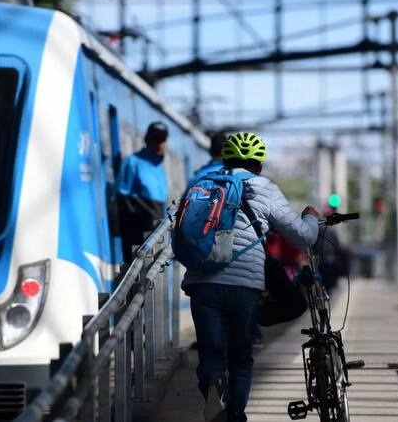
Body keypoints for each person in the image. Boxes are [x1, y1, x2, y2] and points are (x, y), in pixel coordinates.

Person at [181, 132, 320, 422]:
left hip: (202, 283)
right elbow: (302, 237)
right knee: (241, 357)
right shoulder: (264, 187)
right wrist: (310, 217)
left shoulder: (202, 184)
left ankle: (213, 389)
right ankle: (235, 416)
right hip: (244, 285)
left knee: (210, 355)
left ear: (225, 160)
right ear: (258, 166)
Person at [116, 122, 169, 262]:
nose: (159, 144)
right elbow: (122, 196)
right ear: (147, 139)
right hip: (138, 233)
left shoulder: (159, 165)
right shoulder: (132, 162)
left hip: (157, 232)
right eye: (155, 139)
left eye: (162, 139)